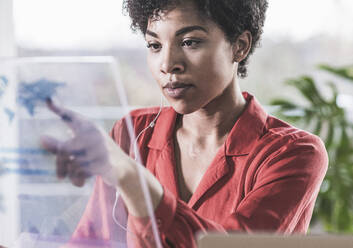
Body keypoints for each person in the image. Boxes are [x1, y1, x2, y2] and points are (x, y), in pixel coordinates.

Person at [41, 0, 328, 247]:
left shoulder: (293, 153)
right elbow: (93, 239)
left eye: (190, 42)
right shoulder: (133, 133)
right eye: (154, 45)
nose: (167, 64)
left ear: (239, 46)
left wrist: (135, 182)